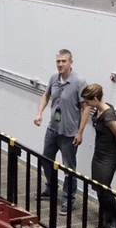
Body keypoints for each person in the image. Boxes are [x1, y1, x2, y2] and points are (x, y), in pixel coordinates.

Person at [33, 50, 87, 208]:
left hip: (69, 133)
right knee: (46, 160)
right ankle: (51, 188)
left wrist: (80, 132)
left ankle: (68, 199)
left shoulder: (79, 82)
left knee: (69, 168)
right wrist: (39, 113)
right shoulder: (53, 78)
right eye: (58, 61)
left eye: (64, 61)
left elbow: (85, 108)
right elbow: (46, 95)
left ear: (71, 62)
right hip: (53, 129)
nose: (60, 64)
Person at [78, 83, 116, 228]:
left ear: (96, 99)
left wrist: (109, 146)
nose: (87, 104)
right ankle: (106, 216)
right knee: (98, 188)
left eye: (89, 101)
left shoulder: (109, 116)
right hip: (98, 154)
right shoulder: (98, 111)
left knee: (105, 189)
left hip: (109, 156)